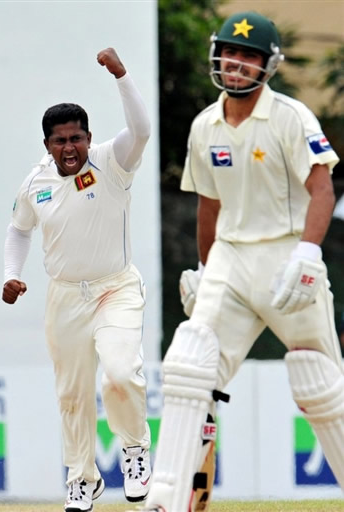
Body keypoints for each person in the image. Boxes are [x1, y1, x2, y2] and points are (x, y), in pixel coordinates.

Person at [134, 11, 344, 512]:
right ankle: (167, 499)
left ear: (267, 65)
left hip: (285, 257)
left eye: (247, 55)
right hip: (229, 259)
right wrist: (206, 268)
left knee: (319, 382)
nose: (235, 63)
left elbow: (321, 188)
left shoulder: (291, 117)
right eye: (230, 51)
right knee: (190, 365)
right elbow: (209, 207)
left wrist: (310, 251)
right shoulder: (204, 125)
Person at [2, 47, 152, 512]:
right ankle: (81, 478)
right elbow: (18, 229)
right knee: (71, 394)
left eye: (77, 138)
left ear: (90, 138)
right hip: (65, 298)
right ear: (47, 145)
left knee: (121, 375)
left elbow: (143, 129)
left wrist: (121, 76)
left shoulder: (113, 162)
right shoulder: (35, 183)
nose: (70, 148)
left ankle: (134, 448)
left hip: (116, 288)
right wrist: (12, 275)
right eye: (60, 140)